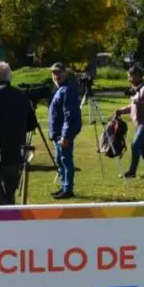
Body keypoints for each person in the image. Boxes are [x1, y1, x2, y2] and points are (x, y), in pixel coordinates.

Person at [0, 61, 37, 206]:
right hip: (15, 152)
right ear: (10, 78)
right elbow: (31, 124)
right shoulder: (22, 96)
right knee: (10, 195)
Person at [115, 64, 144, 179]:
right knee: (143, 148)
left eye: (130, 77)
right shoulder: (135, 89)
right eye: (128, 77)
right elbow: (133, 106)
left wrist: (141, 103)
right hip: (139, 124)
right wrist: (121, 111)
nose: (129, 79)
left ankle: (132, 171)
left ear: (138, 76)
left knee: (135, 145)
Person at [48, 62, 82, 200]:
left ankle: (68, 189)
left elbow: (70, 115)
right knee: (60, 160)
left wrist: (65, 135)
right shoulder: (59, 90)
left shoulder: (68, 90)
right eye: (54, 73)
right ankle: (63, 186)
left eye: (58, 72)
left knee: (65, 160)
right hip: (57, 134)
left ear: (65, 73)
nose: (56, 76)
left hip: (63, 134)